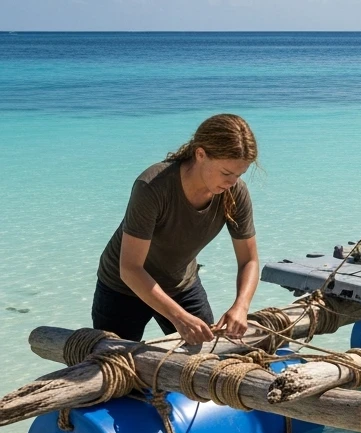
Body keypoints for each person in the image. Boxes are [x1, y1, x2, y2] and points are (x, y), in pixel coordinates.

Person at [93, 114, 260, 345]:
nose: (233, 182)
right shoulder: (152, 187)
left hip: (181, 285)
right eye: (226, 173)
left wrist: (241, 306)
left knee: (206, 364)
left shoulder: (235, 192)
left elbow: (249, 260)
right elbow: (130, 268)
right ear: (200, 154)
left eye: (239, 175)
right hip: (123, 289)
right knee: (115, 370)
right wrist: (180, 318)